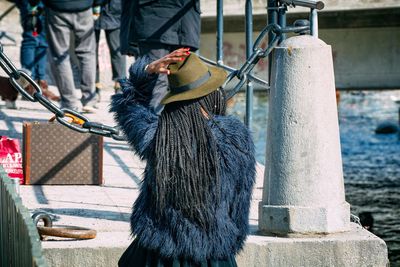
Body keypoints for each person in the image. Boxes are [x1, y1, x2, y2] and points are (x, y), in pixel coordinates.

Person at [111, 48, 256, 266]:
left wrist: (146, 72)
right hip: (213, 255)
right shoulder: (237, 138)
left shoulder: (157, 137)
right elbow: (239, 206)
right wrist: (228, 243)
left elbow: (128, 105)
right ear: (212, 95)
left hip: (158, 253)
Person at [120, 0, 201, 113]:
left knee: (183, 82)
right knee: (158, 81)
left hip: (180, 22)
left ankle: (173, 125)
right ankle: (154, 126)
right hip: (156, 21)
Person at [41, 0, 103, 113]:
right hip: (84, 6)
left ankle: (69, 101)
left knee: (59, 55)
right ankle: (89, 99)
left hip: (57, 7)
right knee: (87, 52)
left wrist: (34, 4)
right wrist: (97, 3)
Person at [15, 0, 60, 104]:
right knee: (30, 39)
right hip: (31, 3)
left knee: (43, 43)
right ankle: (28, 84)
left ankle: (41, 84)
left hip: (47, 3)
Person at [94, 0, 126, 96]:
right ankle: (94, 85)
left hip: (115, 12)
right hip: (93, 12)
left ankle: (120, 84)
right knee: (91, 54)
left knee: (117, 51)